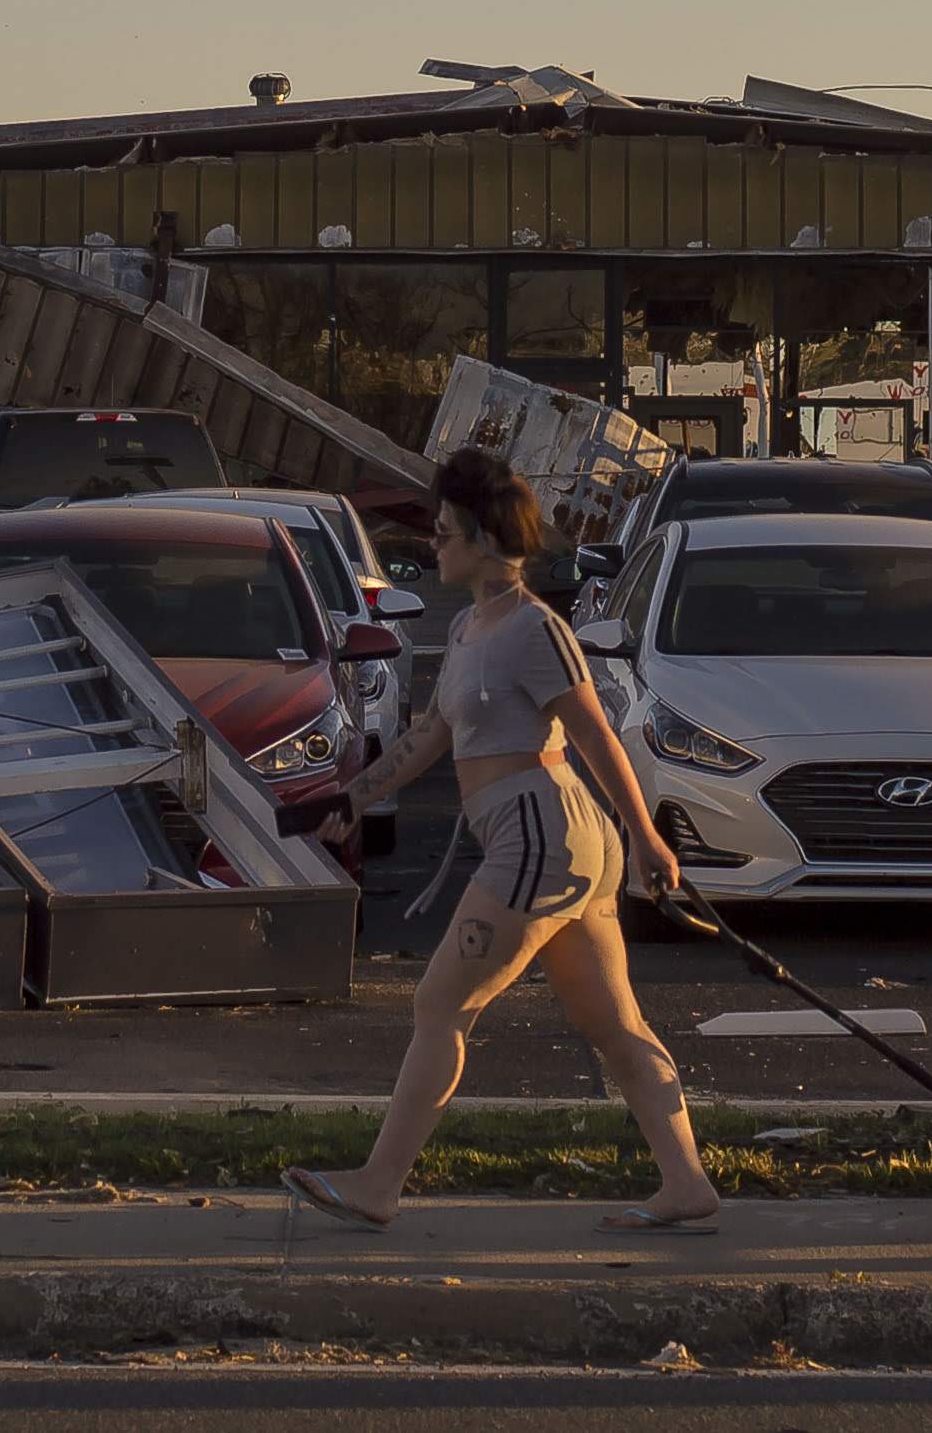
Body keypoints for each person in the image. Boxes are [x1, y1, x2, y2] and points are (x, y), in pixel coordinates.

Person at [276, 446, 721, 1234]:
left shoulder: (533, 628)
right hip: (546, 839)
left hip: (541, 838)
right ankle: (686, 1182)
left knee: (439, 1000)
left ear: (482, 534)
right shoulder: (470, 631)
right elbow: (427, 737)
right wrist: (351, 796)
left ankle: (379, 1183)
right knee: (615, 1024)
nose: (433, 542)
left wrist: (649, 839)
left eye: (444, 530)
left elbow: (595, 735)